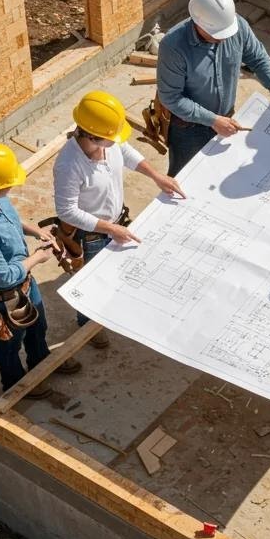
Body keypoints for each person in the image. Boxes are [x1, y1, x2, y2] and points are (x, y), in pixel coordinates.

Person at [54, 90, 185, 347]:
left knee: (113, 275)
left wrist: (156, 176)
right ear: (92, 136)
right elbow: (67, 211)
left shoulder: (107, 143)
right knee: (90, 284)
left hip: (114, 224)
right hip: (90, 235)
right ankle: (88, 327)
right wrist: (109, 228)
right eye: (110, 139)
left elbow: (126, 153)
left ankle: (107, 314)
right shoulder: (69, 165)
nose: (116, 142)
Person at [0, 142, 72, 394]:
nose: (12, 186)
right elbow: (3, 276)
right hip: (4, 297)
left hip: (25, 285)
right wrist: (37, 258)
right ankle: (16, 383)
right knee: (10, 343)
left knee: (38, 325)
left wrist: (36, 231)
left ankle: (40, 363)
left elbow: (13, 221)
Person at [156, 0, 270, 175]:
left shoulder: (237, 26)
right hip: (189, 130)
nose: (223, 39)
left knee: (219, 173)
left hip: (226, 117)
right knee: (185, 178)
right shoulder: (173, 47)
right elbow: (171, 98)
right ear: (198, 22)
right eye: (217, 35)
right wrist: (212, 120)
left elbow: (258, 59)